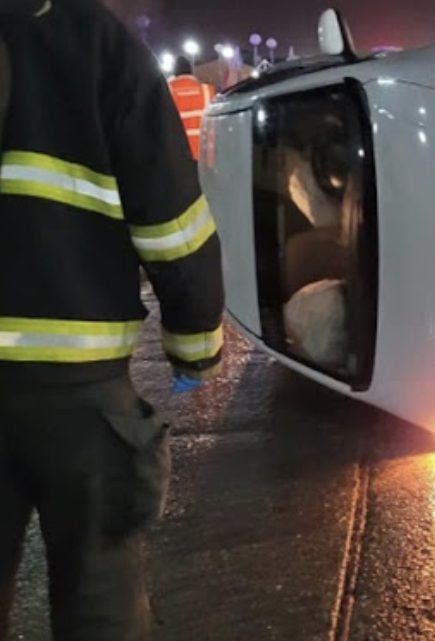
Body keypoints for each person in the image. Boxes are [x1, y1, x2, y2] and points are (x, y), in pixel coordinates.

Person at [0, 0, 225, 639]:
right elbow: (174, 226)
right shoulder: (96, 42)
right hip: (81, 395)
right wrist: (194, 347)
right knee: (100, 600)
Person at [167, 56, 214, 161]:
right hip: (205, 156)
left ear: (174, 73)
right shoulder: (207, 91)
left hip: (176, 157)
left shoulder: (167, 93)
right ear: (191, 71)